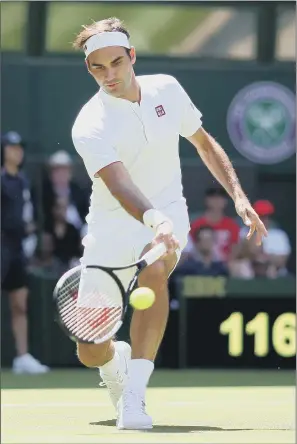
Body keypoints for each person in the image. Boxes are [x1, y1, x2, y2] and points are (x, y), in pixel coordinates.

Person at [71, 17, 267, 430]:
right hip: (111, 228)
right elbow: (120, 185)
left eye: (116, 63)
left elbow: (203, 142)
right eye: (98, 67)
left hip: (168, 211)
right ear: (89, 68)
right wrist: (151, 218)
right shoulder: (90, 124)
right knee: (90, 349)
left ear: (132, 57)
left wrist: (238, 196)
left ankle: (135, 399)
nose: (109, 75)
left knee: (155, 268)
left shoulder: (168, 89)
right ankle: (114, 366)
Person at [1, 131, 49, 374]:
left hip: (17, 251)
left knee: (20, 304)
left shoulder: (22, 181)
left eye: (19, 148)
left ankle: (22, 357)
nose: (17, 152)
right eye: (11, 147)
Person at [189, 187, 240, 261]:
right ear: (207, 200)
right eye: (213, 197)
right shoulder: (197, 224)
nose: (216, 201)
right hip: (200, 263)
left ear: (225, 201)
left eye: (220, 198)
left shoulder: (232, 225)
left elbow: (235, 247)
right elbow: (191, 247)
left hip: (224, 265)